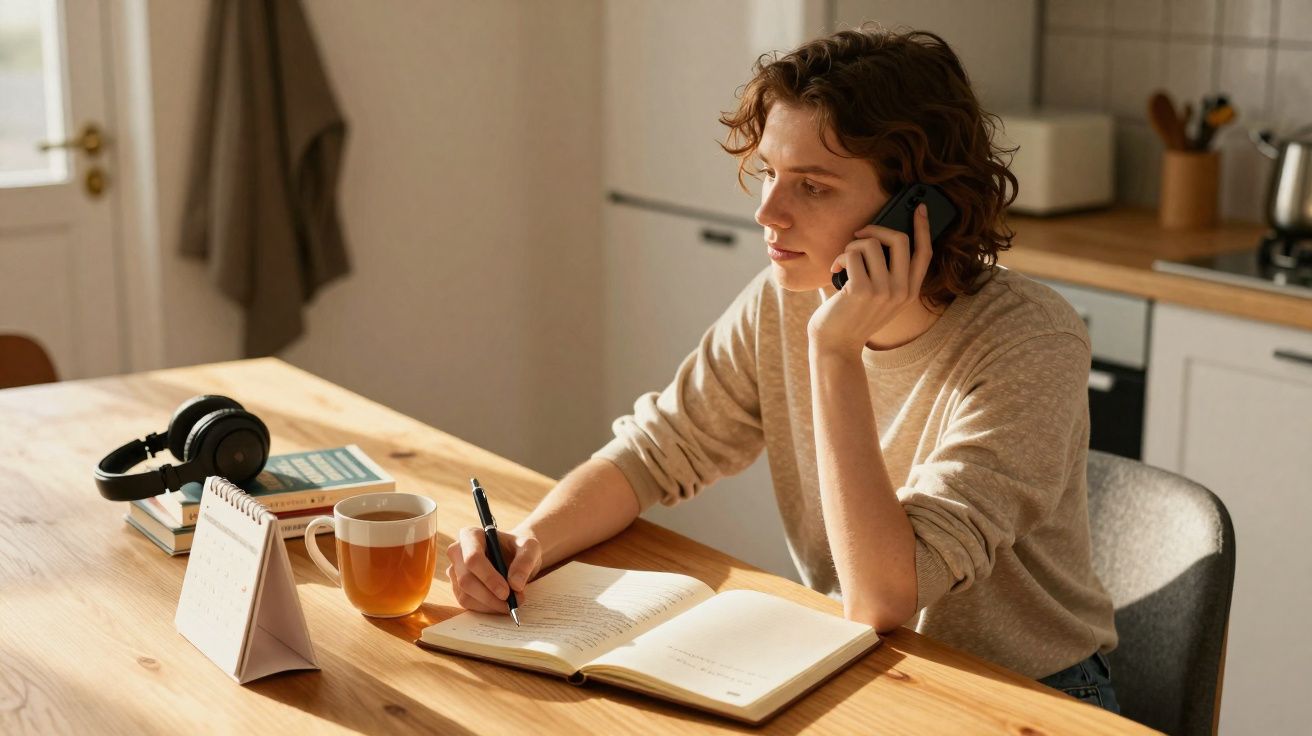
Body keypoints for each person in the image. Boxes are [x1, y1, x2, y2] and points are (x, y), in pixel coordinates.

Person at [446, 26, 1120, 713]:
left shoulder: (1030, 341)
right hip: (871, 668)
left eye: (813, 186)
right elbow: (652, 453)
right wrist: (527, 546)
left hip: (1029, 698)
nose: (768, 213)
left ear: (919, 208)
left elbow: (885, 595)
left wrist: (835, 354)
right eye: (770, 172)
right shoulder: (786, 299)